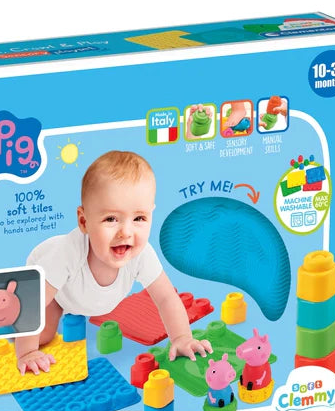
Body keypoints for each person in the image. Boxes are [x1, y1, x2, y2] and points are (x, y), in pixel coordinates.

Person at [15, 151, 212, 375]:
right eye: (111, 219)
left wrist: (182, 337)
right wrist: (26, 352)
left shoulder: (141, 254)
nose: (126, 232)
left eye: (139, 218)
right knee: (43, 335)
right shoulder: (65, 255)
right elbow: (34, 303)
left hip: (79, 293)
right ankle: (12, 302)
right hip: (50, 285)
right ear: (84, 221)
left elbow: (167, 297)